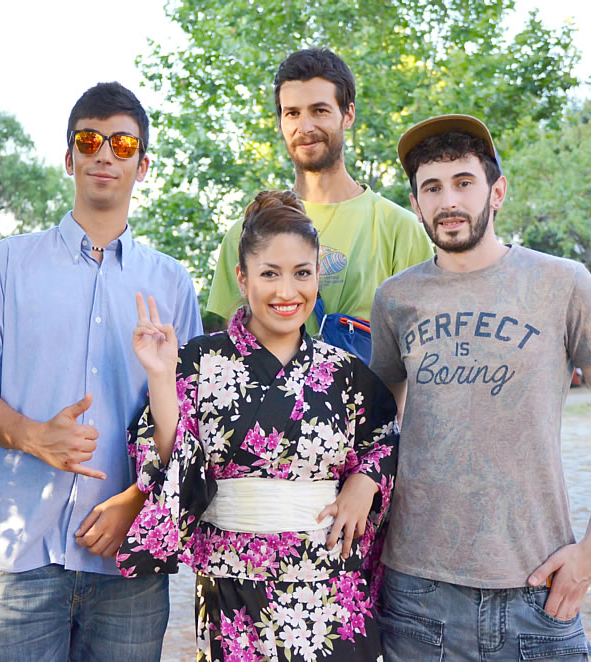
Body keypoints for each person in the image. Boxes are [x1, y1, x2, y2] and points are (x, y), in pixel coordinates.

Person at [0, 81, 203, 661]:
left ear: (142, 165)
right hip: (19, 551)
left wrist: (137, 498)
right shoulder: (6, 264)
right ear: (69, 157)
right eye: (89, 141)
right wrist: (32, 435)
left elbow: (189, 421)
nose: (104, 154)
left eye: (122, 144)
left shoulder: (172, 283)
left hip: (128, 559)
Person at [369, 114, 591, 660]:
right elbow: (377, 426)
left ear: (496, 192)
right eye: (432, 188)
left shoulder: (562, 282)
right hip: (417, 596)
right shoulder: (395, 299)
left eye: (463, 182)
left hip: (537, 588)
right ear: (416, 204)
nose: (449, 200)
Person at [118, 190, 399, 661]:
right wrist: (161, 377)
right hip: (233, 589)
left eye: (302, 273)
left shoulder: (344, 371)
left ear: (317, 276)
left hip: (330, 588)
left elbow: (386, 440)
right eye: (270, 274)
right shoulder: (198, 360)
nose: (287, 292)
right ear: (242, 277)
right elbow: (172, 457)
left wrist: (365, 482)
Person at [206, 48, 432, 361]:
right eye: (292, 113)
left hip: (372, 392)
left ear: (348, 115)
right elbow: (229, 353)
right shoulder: (246, 232)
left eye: (320, 110)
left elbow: (425, 349)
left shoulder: (400, 229)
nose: (305, 127)